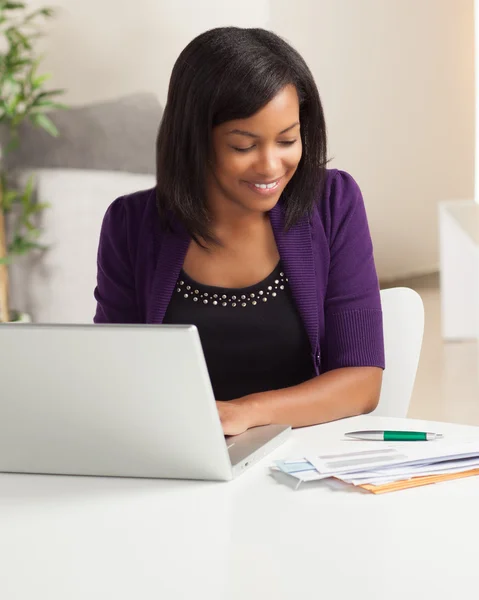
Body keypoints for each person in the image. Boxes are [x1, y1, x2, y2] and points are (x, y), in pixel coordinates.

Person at [94, 26, 385, 436]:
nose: (269, 166)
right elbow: (115, 375)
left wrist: (246, 412)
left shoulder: (333, 202)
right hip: (177, 458)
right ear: (194, 139)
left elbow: (361, 381)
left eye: (287, 141)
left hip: (300, 459)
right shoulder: (131, 224)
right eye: (243, 146)